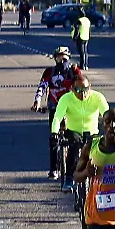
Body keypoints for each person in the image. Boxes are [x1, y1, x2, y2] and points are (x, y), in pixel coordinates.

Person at [30, 46, 83, 180]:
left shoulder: (74, 70)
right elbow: (42, 87)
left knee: (75, 138)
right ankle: (54, 169)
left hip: (72, 108)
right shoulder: (50, 71)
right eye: (59, 57)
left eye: (64, 57)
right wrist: (37, 101)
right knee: (54, 138)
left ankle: (77, 163)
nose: (61, 60)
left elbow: (82, 86)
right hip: (55, 107)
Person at [50, 75, 109, 191]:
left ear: (90, 87)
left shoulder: (97, 97)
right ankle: (68, 178)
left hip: (92, 132)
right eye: (78, 90)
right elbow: (57, 118)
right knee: (74, 146)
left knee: (101, 151)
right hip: (73, 131)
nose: (82, 94)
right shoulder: (66, 99)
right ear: (72, 89)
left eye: (85, 90)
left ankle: (102, 179)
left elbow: (107, 115)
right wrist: (54, 132)